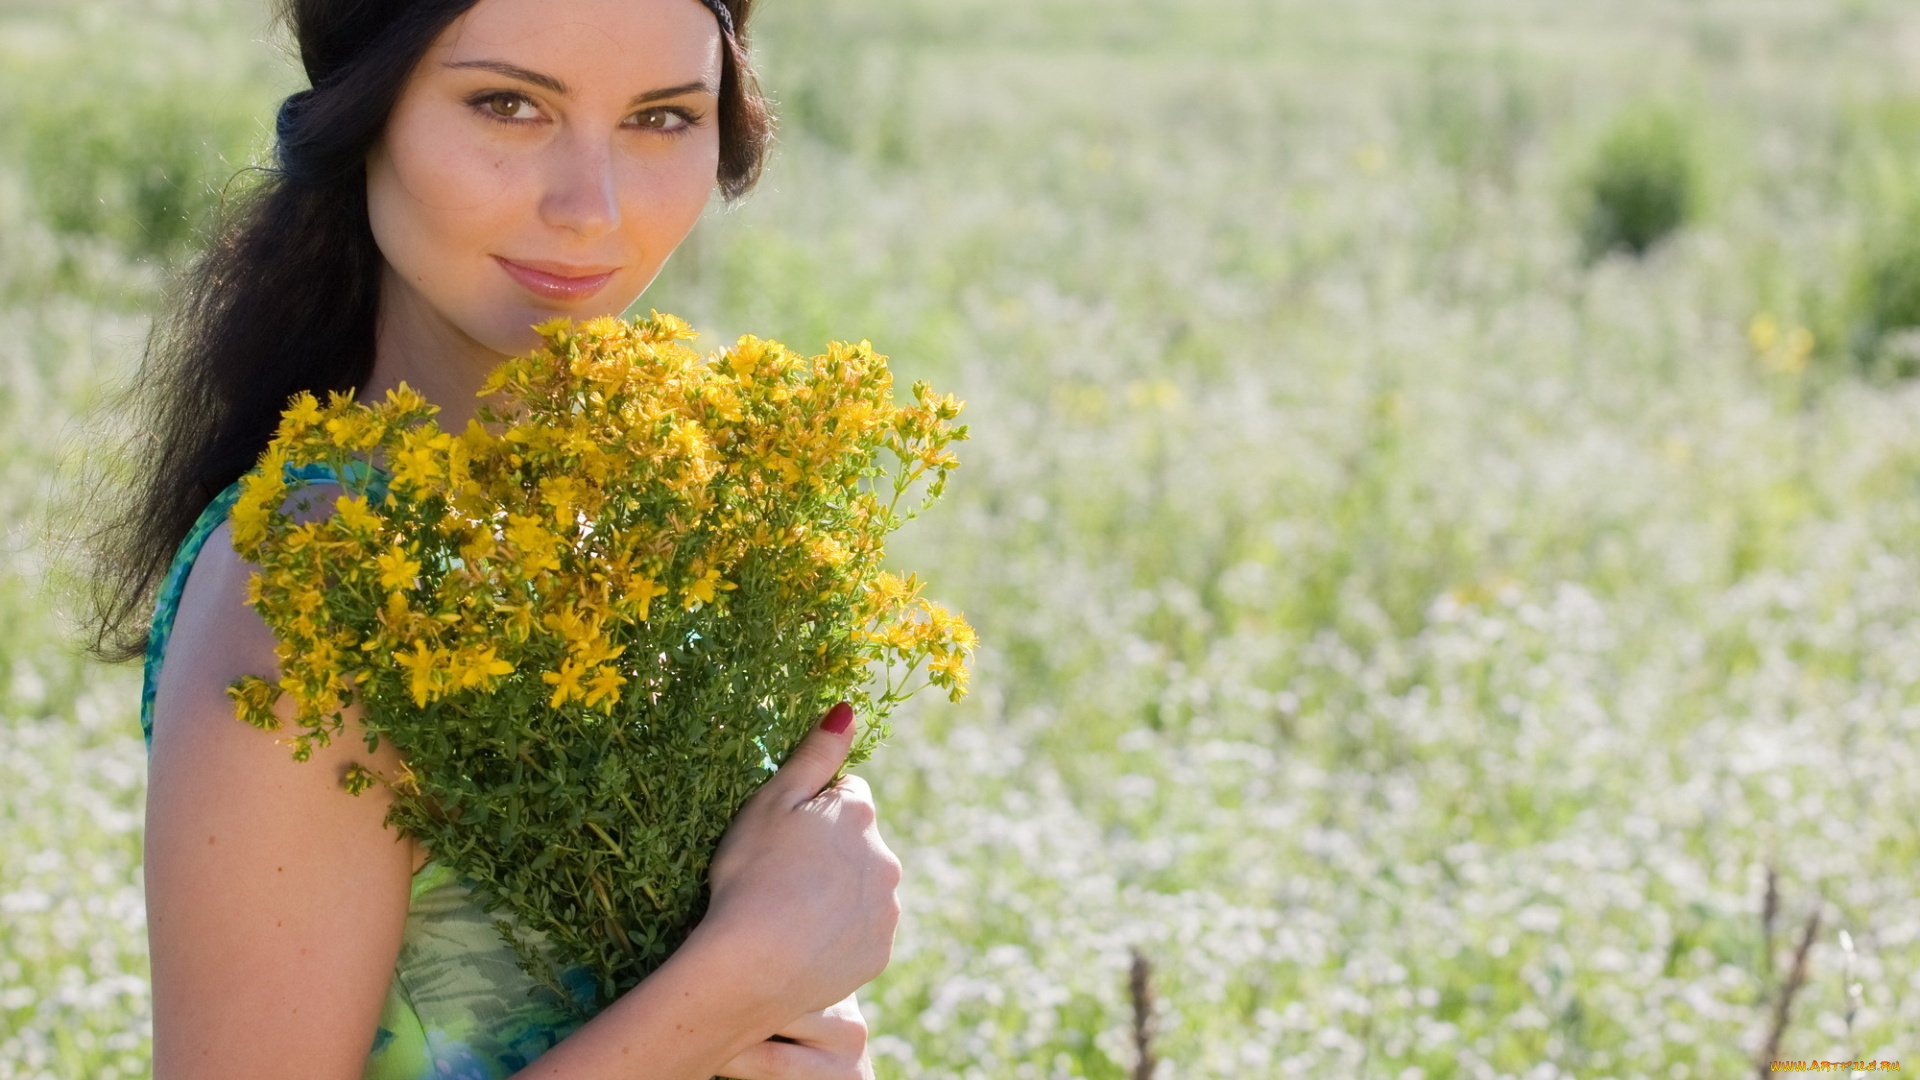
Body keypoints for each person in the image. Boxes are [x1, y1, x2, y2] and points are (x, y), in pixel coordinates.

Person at [84, 1, 903, 1077]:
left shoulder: (658, 511)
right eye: (508, 105)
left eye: (660, 117)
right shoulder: (317, 588)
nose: (591, 208)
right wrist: (741, 981)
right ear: (362, 111)